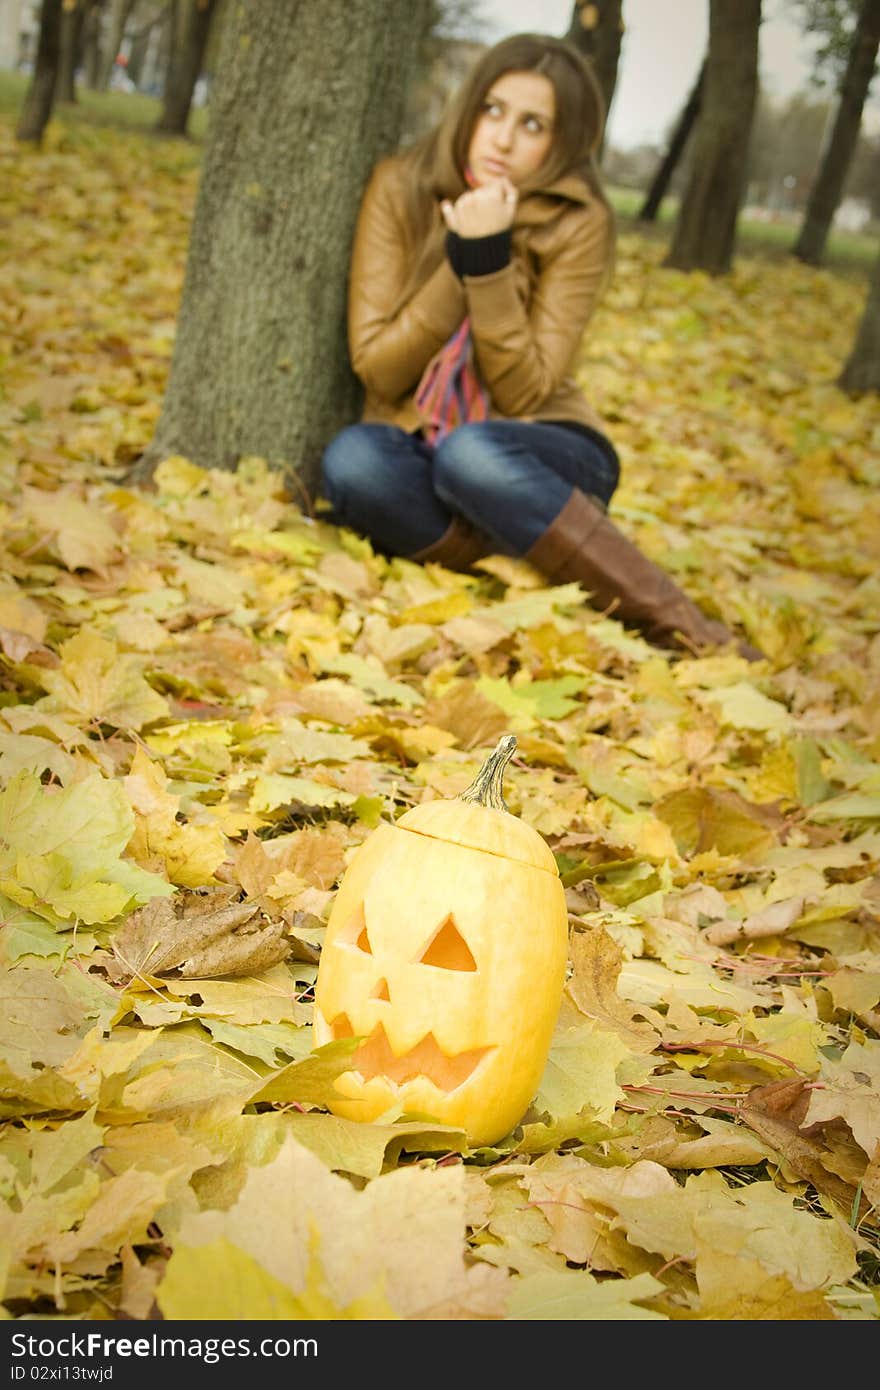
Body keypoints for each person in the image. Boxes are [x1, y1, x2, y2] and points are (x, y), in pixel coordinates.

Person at [320, 33, 761, 659]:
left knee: (472, 455)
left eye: (533, 125)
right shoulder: (402, 186)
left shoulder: (578, 220)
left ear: (563, 142)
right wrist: (463, 255)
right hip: (421, 443)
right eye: (493, 110)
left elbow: (525, 391)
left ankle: (684, 626)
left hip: (546, 449)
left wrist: (490, 262)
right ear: (468, 108)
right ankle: (536, 558)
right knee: (353, 463)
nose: (502, 138)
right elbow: (379, 369)